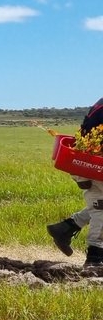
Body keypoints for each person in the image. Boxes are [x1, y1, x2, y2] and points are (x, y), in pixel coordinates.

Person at [47, 97, 103, 265]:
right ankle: (95, 258)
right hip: (94, 162)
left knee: (98, 204)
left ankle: (65, 228)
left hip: (88, 160)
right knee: (101, 207)